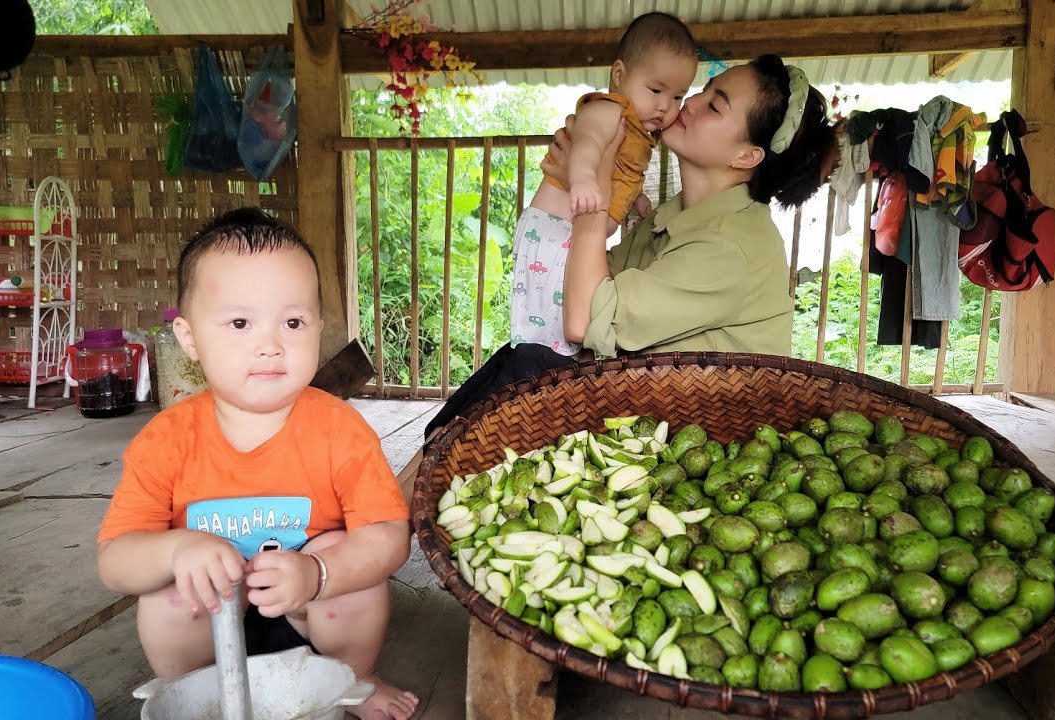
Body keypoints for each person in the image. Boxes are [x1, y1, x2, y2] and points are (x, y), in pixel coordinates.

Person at [412, 55, 837, 467]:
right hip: (645, 398)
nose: (689, 103)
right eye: (703, 91)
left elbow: (582, 320)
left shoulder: (731, 245)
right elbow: (586, 286)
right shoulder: (673, 217)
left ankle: (405, 497)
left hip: (700, 447)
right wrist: (569, 184)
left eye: (715, 105)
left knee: (529, 369)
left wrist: (592, 203)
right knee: (521, 358)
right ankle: (408, 488)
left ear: (747, 156)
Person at [96, 209, 420, 720]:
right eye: (240, 323)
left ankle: (354, 676)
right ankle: (194, 691)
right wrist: (177, 549)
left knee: (347, 559)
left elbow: (388, 537)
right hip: (210, 622)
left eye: (293, 322)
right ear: (190, 339)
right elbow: (115, 561)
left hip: (308, 608)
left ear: (318, 326)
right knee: (165, 591)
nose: (270, 345)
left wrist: (317, 572)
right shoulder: (165, 440)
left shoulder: (340, 429)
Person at [509, 12, 697, 357]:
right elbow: (588, 142)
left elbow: (618, 172)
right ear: (620, 75)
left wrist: (634, 200)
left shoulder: (639, 131)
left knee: (559, 321)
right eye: (656, 89)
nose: (664, 106)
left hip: (569, 232)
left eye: (677, 98)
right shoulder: (610, 109)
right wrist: (580, 177)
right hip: (554, 230)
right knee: (546, 330)